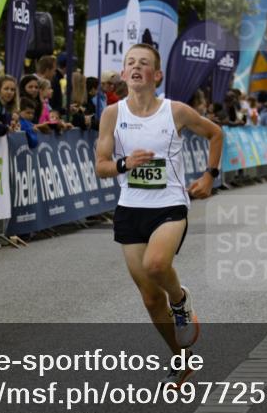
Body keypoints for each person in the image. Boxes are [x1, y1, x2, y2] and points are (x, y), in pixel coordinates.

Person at [95, 43, 223, 388]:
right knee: (151, 298)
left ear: (157, 75)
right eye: (131, 63)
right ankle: (182, 360)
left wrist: (209, 175)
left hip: (169, 204)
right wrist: (124, 164)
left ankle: (180, 300)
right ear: (124, 74)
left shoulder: (175, 111)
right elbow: (101, 167)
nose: (136, 68)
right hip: (130, 208)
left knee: (156, 265)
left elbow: (215, 133)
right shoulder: (112, 114)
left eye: (144, 63)